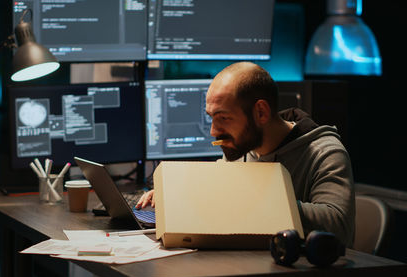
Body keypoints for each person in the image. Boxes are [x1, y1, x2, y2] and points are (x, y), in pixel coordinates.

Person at [136, 62, 355, 246]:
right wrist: (174, 193)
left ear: (260, 112)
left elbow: (339, 227)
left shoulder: (325, 153)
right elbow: (220, 188)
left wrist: (256, 197)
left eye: (223, 118)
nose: (213, 131)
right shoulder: (243, 147)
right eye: (211, 117)